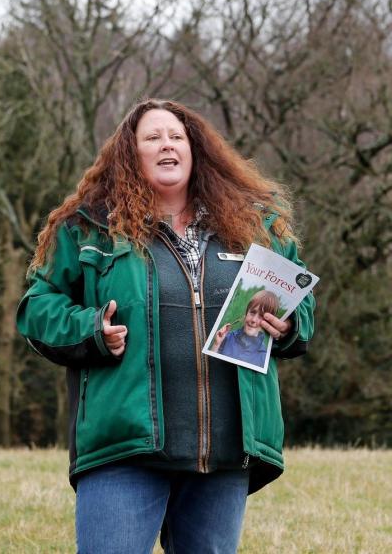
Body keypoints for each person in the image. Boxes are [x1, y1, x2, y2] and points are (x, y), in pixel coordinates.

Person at [16, 99, 315, 554]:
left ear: (196, 152)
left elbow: (304, 309)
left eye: (176, 137)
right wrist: (92, 327)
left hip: (223, 451)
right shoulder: (89, 228)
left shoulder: (255, 228)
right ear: (129, 154)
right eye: (152, 138)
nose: (166, 145)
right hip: (124, 447)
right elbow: (37, 309)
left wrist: (288, 322)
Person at [212, 290, 280, 368]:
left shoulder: (263, 356)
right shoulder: (227, 337)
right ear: (246, 314)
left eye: (261, 316)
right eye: (252, 312)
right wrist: (216, 344)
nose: (254, 320)